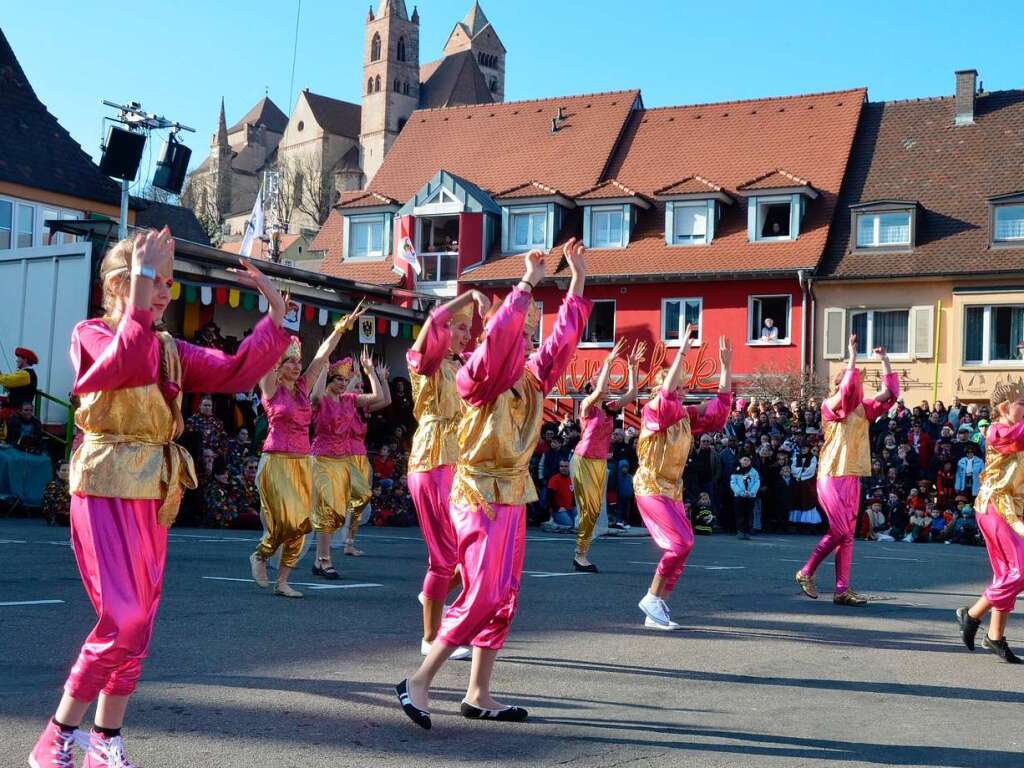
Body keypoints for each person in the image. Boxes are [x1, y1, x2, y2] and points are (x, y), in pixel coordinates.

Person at [28, 228, 289, 768]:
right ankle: (56, 736)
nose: (164, 290)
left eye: (167, 281)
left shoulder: (171, 347)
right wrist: (143, 285)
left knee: (139, 622)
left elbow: (237, 370)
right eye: (152, 279)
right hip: (102, 484)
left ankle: (105, 740)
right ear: (118, 284)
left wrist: (275, 315)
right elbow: (125, 361)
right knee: (121, 617)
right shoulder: (90, 333)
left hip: (152, 489)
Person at [395, 239, 590, 729]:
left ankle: (479, 692)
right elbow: (500, 337)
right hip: (478, 491)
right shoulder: (475, 379)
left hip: (513, 493)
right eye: (519, 335)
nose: (525, 343)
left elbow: (561, 343)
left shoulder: (530, 380)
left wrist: (578, 282)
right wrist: (526, 284)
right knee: (481, 592)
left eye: (528, 337)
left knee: (503, 596)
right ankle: (418, 680)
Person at [405, 289, 488, 661]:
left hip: (461, 464)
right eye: (460, 328)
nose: (465, 335)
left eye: (468, 329)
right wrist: (467, 295)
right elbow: (434, 320)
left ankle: (432, 597)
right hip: (432, 459)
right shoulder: (427, 362)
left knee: (470, 553)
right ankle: (432, 637)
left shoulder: (462, 364)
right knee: (444, 557)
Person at [633, 327, 732, 631]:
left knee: (685, 544)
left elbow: (718, 412)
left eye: (686, 387)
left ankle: (656, 608)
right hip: (651, 486)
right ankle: (651, 597)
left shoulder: (683, 415)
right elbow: (665, 396)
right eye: (679, 386)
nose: (684, 390)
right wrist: (682, 353)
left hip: (672, 489)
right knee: (680, 542)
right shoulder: (654, 410)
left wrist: (726, 368)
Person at [796, 337, 898, 606]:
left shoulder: (863, 409)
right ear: (838, 384)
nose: (857, 385)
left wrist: (885, 360)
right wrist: (852, 355)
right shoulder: (830, 406)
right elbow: (848, 391)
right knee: (840, 530)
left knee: (848, 535)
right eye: (852, 379)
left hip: (852, 474)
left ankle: (842, 590)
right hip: (831, 473)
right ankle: (806, 571)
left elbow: (891, 395)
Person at [250, 315, 346, 598]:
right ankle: (261, 554)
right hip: (276, 461)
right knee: (285, 521)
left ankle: (282, 581)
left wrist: (340, 329)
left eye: (297, 360)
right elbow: (264, 357)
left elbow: (322, 354)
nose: (296, 364)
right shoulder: (270, 388)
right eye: (290, 360)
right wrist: (274, 318)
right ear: (279, 365)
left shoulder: (304, 387)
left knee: (302, 525)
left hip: (302, 462)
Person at [956, 381, 1024, 663]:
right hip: (996, 506)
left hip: (1011, 508)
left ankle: (995, 636)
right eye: (1023, 405)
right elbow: (1017, 438)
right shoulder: (998, 431)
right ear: (1005, 407)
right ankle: (972, 614)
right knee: (1019, 571)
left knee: (1006, 573)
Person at [570, 339, 644, 571]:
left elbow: (632, 394)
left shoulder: (610, 408)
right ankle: (580, 555)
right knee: (588, 508)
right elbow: (600, 390)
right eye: (600, 383)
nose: (607, 387)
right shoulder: (587, 407)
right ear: (591, 388)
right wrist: (609, 361)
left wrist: (632, 367)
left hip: (600, 461)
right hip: (582, 460)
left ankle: (581, 554)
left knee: (595, 510)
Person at [730, 455, 760, 540]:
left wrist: (751, 492)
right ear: (740, 461)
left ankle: (747, 532)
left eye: (748, 460)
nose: (746, 462)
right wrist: (740, 492)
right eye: (744, 460)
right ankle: (740, 531)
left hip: (750, 496)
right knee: (740, 514)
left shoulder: (754, 472)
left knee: (748, 514)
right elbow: (733, 482)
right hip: (739, 496)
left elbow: (757, 482)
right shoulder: (737, 470)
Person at [0, 345, 38, 410]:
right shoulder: (24, 372)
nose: (16, 360)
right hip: (17, 407)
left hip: (18, 411)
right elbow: (9, 379)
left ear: (25, 360)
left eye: (18, 358)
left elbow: (7, 381)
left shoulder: (25, 374)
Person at [545, 458, 576, 529]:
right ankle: (552, 522)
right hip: (559, 509)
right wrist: (557, 508)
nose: (563, 468)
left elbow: (574, 495)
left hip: (571, 508)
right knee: (569, 525)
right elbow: (549, 497)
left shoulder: (572, 478)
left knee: (579, 524)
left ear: (569, 467)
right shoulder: (554, 479)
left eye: (566, 466)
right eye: (561, 466)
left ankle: (556, 523)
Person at [43, 460, 72, 526]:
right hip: (58, 516)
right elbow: (57, 505)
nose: (67, 472)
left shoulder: (72, 484)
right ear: (57, 472)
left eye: (69, 470)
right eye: (64, 470)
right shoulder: (52, 485)